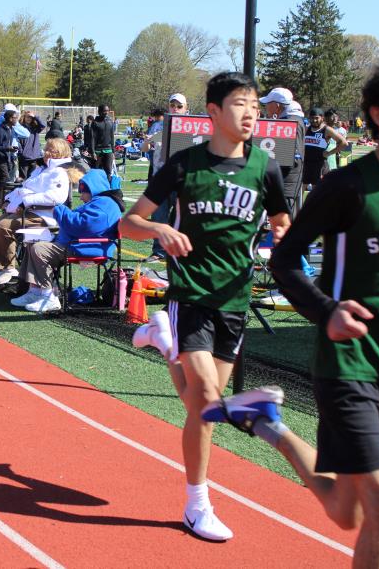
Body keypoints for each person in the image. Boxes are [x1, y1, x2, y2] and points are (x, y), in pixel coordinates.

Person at [205, 56, 379, 568]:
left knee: (347, 511)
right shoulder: (348, 186)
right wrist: (326, 311)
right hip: (347, 364)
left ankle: (267, 423)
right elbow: (286, 259)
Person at [121, 71, 291, 541]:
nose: (251, 112)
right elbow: (129, 223)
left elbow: (282, 219)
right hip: (191, 293)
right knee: (206, 399)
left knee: (203, 408)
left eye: (254, 104)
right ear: (213, 112)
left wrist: (284, 235)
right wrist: (160, 229)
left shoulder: (265, 168)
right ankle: (197, 505)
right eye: (240, 103)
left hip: (234, 299)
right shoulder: (184, 165)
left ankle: (163, 341)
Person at [12, 169, 122, 313]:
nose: (80, 197)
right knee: (32, 243)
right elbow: (80, 224)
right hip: (82, 245)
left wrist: (60, 210)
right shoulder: (101, 202)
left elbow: (81, 226)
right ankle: (35, 291)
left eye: (82, 192)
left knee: (39, 249)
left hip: (86, 248)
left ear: (92, 189)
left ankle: (48, 296)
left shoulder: (105, 204)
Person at [0, 138, 75, 290]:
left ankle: (7, 268)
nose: (46, 153)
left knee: (4, 227)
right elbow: (24, 188)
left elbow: (56, 197)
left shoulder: (59, 172)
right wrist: (9, 199)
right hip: (26, 211)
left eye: (51, 150)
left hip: (43, 215)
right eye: (46, 149)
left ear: (60, 153)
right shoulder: (41, 169)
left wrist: (26, 202)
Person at [145, 94, 189, 262]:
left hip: (182, 181)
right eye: (172, 105)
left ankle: (180, 251)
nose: (175, 109)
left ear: (186, 108)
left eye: (179, 106)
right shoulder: (158, 126)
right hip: (160, 179)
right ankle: (159, 251)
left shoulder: (191, 126)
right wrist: (147, 141)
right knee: (159, 217)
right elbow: (144, 148)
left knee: (182, 218)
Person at [302, 107, 347, 188]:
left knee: (318, 190)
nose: (314, 120)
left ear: (322, 118)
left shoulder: (327, 130)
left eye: (316, 118)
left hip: (320, 165)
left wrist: (329, 153)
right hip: (306, 164)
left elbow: (344, 143)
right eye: (312, 118)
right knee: (301, 189)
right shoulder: (306, 129)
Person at [86, 105, 116, 178]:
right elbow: (92, 138)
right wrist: (93, 152)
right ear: (99, 112)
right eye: (104, 111)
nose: (106, 112)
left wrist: (113, 151)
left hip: (108, 150)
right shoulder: (95, 123)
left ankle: (108, 184)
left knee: (108, 171)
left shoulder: (110, 121)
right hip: (98, 151)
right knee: (96, 171)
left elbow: (112, 137)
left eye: (107, 111)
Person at [17, 110, 45, 179]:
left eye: (30, 117)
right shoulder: (20, 127)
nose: (29, 118)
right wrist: (21, 152)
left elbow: (43, 125)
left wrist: (35, 116)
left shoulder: (35, 128)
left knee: (31, 178)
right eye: (27, 117)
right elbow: (17, 141)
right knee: (23, 179)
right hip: (24, 158)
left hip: (34, 157)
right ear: (24, 117)